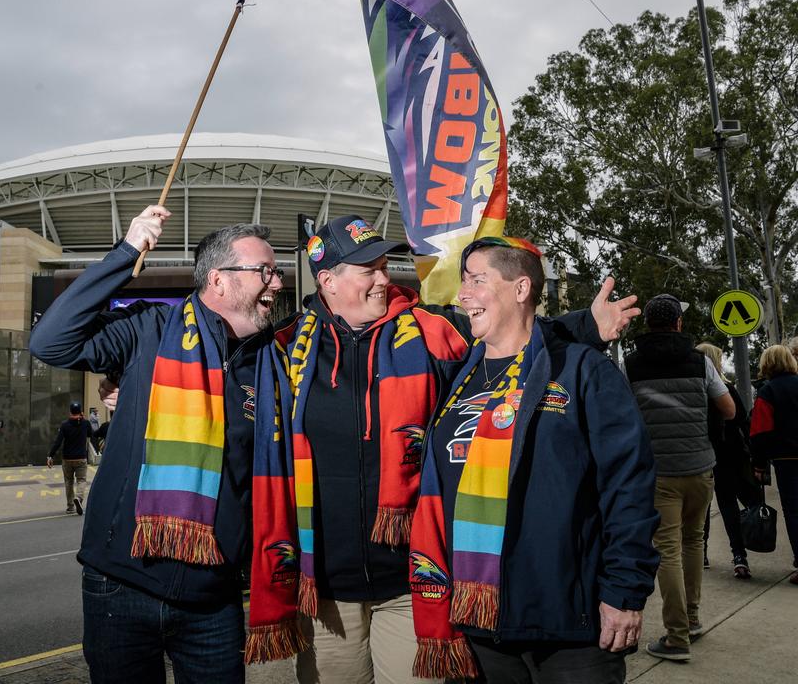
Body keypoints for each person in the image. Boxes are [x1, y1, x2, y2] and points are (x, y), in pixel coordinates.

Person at [246, 219, 640, 684]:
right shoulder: (283, 349)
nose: (384, 278)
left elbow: (513, 333)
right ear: (328, 280)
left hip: (414, 583)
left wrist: (586, 326)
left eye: (384, 265)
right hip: (328, 589)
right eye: (367, 269)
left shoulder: (434, 332)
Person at [29, 204, 284, 684]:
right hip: (120, 586)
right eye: (264, 271)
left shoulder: (275, 362)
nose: (276, 283)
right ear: (219, 280)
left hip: (214, 598)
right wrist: (124, 254)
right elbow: (51, 342)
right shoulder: (150, 330)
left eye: (276, 272)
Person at [408, 237, 659, 683]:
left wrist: (625, 591)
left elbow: (629, 489)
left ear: (521, 289)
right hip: (476, 622)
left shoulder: (582, 371)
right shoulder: (456, 374)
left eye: (477, 280)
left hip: (568, 626)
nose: (463, 294)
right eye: (464, 282)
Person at [624, 294, 735, 662]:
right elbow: (730, 409)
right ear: (679, 324)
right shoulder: (700, 362)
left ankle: (676, 636)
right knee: (693, 542)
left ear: (648, 324)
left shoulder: (632, 365)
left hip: (658, 473)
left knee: (667, 548)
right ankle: (692, 619)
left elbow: (622, 415)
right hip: (700, 467)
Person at [696, 343, 761, 579]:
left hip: (704, 454)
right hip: (730, 456)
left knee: (702, 507)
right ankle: (739, 555)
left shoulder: (696, 393)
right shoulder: (727, 390)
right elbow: (742, 420)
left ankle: (700, 552)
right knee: (730, 504)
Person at [750, 344, 798, 586]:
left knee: (795, 511)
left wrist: (758, 465)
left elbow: (760, 431)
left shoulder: (768, 392)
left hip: (787, 459)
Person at [47, 402, 91, 515]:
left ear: (70, 412)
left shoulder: (65, 425)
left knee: (69, 482)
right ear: (81, 412)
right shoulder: (85, 423)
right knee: (81, 480)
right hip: (81, 458)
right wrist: (84, 421)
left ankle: (70, 506)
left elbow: (58, 442)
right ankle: (79, 498)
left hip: (67, 459)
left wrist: (50, 455)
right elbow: (91, 434)